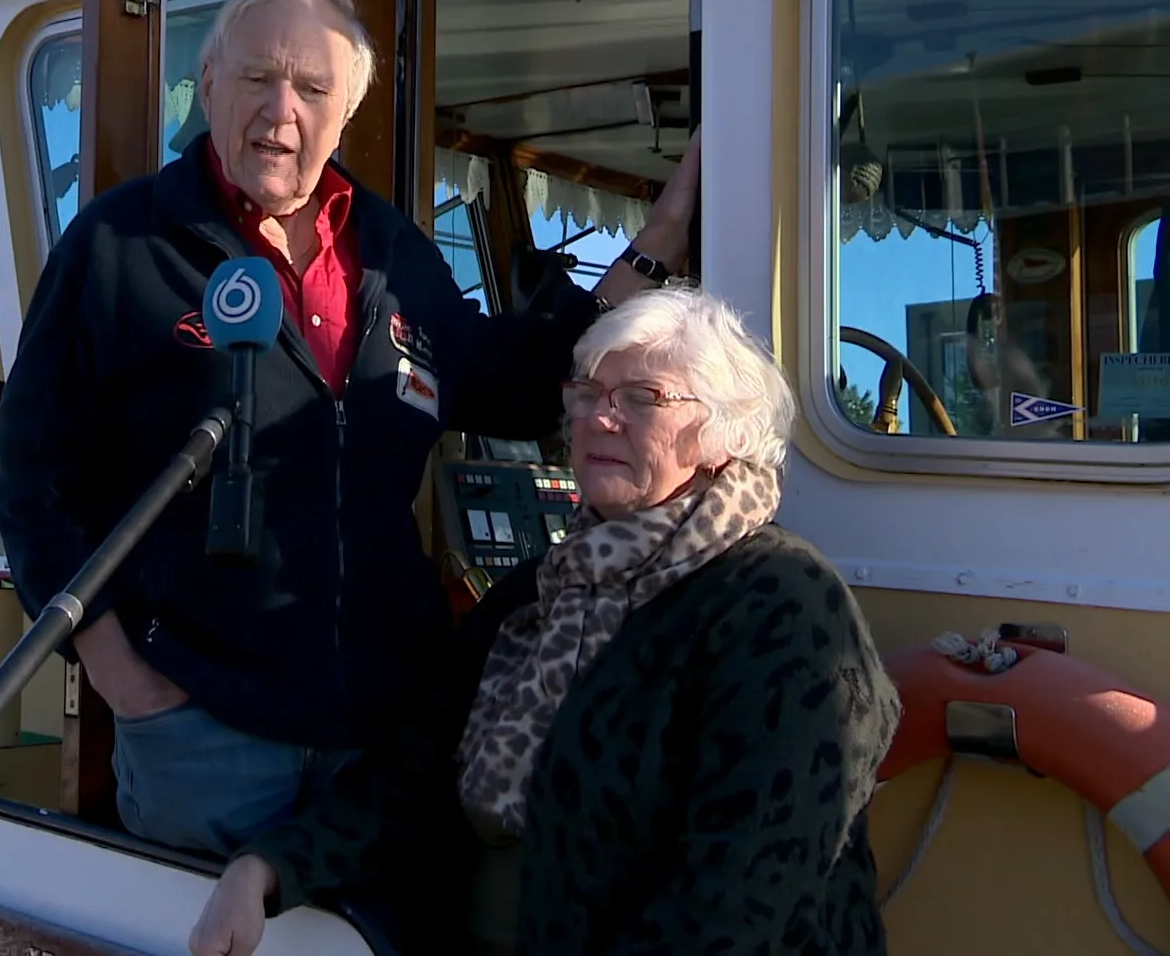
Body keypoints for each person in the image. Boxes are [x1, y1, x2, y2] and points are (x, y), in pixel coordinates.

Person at [0, 0, 702, 859]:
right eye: (256, 77)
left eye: (312, 88)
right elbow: (30, 478)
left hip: (380, 726)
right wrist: (118, 671)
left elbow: (515, 380)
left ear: (346, 111)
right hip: (203, 730)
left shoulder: (391, 251)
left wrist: (659, 242)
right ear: (207, 84)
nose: (280, 110)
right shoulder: (117, 245)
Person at [188, 285, 904, 956]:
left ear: (724, 437)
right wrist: (270, 868)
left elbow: (742, 903)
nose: (598, 416)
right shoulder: (540, 591)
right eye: (586, 393)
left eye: (641, 397)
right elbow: (410, 778)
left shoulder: (783, 602)